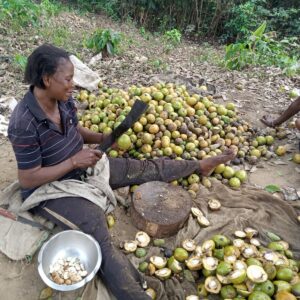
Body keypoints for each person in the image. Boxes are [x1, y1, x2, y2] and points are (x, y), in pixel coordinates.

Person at [8, 44, 235, 300]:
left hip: (84, 166)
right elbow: (28, 178)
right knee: (96, 227)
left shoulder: (63, 99)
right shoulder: (23, 122)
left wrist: (102, 137)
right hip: (51, 188)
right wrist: (72, 162)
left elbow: (75, 130)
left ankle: (199, 165)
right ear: (47, 79)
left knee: (143, 168)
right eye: (68, 79)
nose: (74, 84)